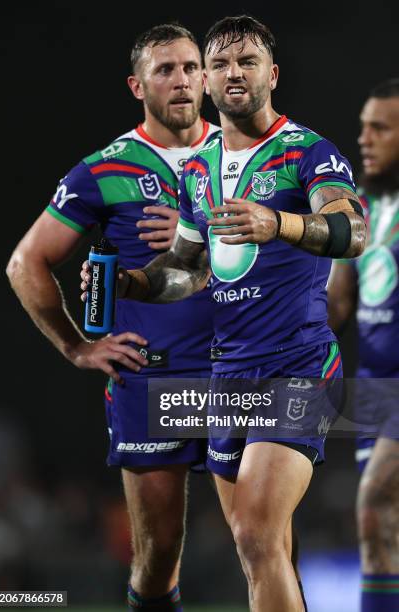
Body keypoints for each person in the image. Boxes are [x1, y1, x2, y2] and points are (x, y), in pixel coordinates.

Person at [86, 15, 367, 611]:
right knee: (262, 552)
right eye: (220, 64)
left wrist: (280, 224)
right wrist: (127, 284)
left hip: (298, 364)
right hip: (227, 375)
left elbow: (353, 231)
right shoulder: (197, 169)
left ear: (273, 73)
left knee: (255, 534)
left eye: (247, 61)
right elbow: (187, 270)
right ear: (208, 83)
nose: (233, 72)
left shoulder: (304, 152)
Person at [6, 23, 220, 611]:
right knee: (158, 552)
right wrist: (78, 347)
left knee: (263, 537)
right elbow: (26, 263)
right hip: (151, 378)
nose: (181, 80)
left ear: (206, 76)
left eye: (190, 67)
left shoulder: (244, 157)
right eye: (164, 70)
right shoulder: (103, 170)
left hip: (240, 370)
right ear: (137, 85)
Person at [327, 78, 399, 612]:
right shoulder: (364, 210)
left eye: (380, 127)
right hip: (373, 391)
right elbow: (337, 308)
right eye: (363, 127)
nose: (365, 138)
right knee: (381, 535)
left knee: (374, 505)